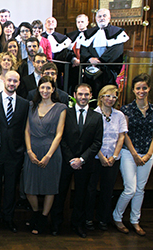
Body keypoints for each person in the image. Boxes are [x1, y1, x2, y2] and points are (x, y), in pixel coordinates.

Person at [51, 83, 103, 238]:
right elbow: (62, 138)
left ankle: (78, 225)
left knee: (81, 195)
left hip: (85, 163)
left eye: (86, 95)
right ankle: (56, 224)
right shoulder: (66, 113)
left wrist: (81, 159)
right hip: (66, 161)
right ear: (75, 94)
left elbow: (97, 142)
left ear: (91, 96)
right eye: (80, 94)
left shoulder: (97, 117)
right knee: (60, 194)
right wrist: (71, 159)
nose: (83, 97)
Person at [0, 70, 29, 233]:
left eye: (15, 81)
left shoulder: (25, 104)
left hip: (15, 154)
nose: (12, 83)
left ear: (18, 83)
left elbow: (25, 128)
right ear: (3, 80)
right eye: (9, 80)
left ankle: (9, 219)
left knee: (11, 189)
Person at [23, 76, 67, 235]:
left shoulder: (60, 108)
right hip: (32, 150)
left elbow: (59, 134)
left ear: (53, 89)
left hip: (51, 152)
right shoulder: (31, 106)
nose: (45, 91)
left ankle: (43, 218)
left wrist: (49, 155)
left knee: (50, 187)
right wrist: (29, 151)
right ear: (38, 89)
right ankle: (36, 212)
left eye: (48, 88)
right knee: (29, 188)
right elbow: (27, 130)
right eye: (42, 87)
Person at [113, 73, 153, 236]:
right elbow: (125, 133)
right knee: (130, 188)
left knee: (140, 190)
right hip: (129, 153)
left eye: (144, 87)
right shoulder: (126, 110)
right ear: (133, 90)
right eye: (138, 88)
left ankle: (135, 221)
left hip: (148, 154)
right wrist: (136, 154)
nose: (141, 91)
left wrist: (149, 154)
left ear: (149, 89)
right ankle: (117, 217)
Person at [85, 85, 126, 231]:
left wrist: (114, 156)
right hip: (96, 158)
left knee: (107, 190)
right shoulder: (93, 114)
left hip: (113, 159)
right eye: (108, 96)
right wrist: (100, 156)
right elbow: (91, 138)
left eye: (114, 96)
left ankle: (103, 219)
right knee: (91, 189)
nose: (111, 99)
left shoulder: (119, 116)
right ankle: (88, 218)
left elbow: (121, 137)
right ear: (101, 97)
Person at [80, 9, 129, 99]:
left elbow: (116, 51)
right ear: (96, 18)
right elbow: (83, 49)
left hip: (108, 71)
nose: (102, 18)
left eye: (104, 16)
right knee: (91, 95)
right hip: (91, 71)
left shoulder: (117, 32)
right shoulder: (88, 33)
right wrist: (90, 58)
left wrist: (100, 62)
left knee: (107, 95)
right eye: (99, 16)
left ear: (109, 18)